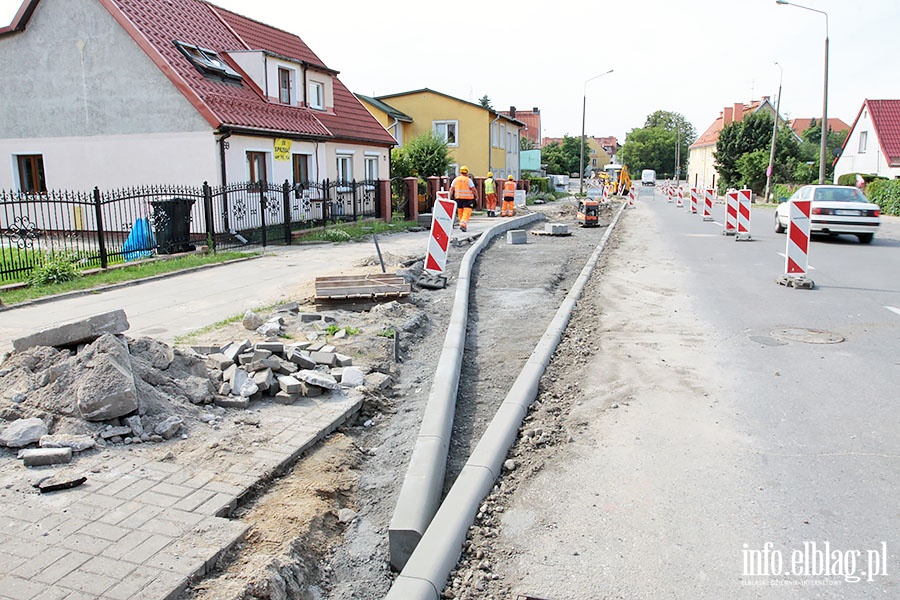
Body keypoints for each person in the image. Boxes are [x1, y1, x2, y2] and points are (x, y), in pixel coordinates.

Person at [449, 165, 477, 231]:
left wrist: (449, 197)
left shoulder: (456, 180)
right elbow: (473, 189)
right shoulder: (468, 180)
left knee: (460, 212)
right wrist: (477, 196)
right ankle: (463, 224)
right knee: (467, 211)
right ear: (467, 172)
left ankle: (462, 223)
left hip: (458, 198)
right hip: (468, 199)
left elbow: (451, 189)